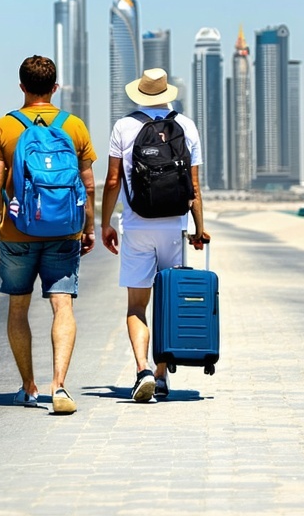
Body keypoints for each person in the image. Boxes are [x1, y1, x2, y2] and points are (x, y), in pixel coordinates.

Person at [0, 55, 97, 415]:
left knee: (18, 307)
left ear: (22, 87)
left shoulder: (5, 126)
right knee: (62, 304)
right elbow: (88, 186)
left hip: (17, 233)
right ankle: (59, 385)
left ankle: (29, 387)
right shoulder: (74, 126)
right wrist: (89, 228)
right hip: (65, 231)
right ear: (55, 87)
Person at [100, 68, 208, 403]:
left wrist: (105, 224)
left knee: (137, 305)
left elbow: (113, 181)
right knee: (167, 301)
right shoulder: (186, 125)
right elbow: (194, 187)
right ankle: (161, 376)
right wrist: (198, 229)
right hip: (174, 226)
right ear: (167, 93)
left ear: (140, 93)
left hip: (137, 225)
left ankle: (142, 370)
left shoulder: (124, 126)